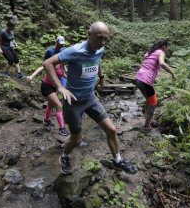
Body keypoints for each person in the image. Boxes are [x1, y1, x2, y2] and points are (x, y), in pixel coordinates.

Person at [43, 21, 138, 175]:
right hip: (73, 102)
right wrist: (60, 87)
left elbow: (97, 60)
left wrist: (101, 77)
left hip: (90, 98)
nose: (102, 43)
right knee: (77, 140)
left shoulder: (100, 49)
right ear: (89, 34)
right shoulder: (75, 51)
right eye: (99, 38)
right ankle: (65, 156)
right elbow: (48, 63)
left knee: (112, 129)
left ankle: (118, 161)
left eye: (106, 39)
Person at [27, 36, 69, 136]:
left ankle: (46, 120)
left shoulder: (61, 66)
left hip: (53, 87)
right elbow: (41, 67)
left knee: (50, 105)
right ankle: (61, 129)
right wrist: (31, 76)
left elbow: (63, 74)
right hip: (46, 87)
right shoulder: (50, 64)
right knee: (59, 106)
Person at [135, 39, 176, 132]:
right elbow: (161, 63)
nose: (166, 50)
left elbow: (146, 61)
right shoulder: (161, 52)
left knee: (149, 100)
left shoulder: (150, 52)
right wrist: (172, 73)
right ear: (164, 47)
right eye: (166, 48)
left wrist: (153, 76)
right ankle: (146, 127)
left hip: (138, 78)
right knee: (153, 103)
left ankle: (147, 121)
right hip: (145, 81)